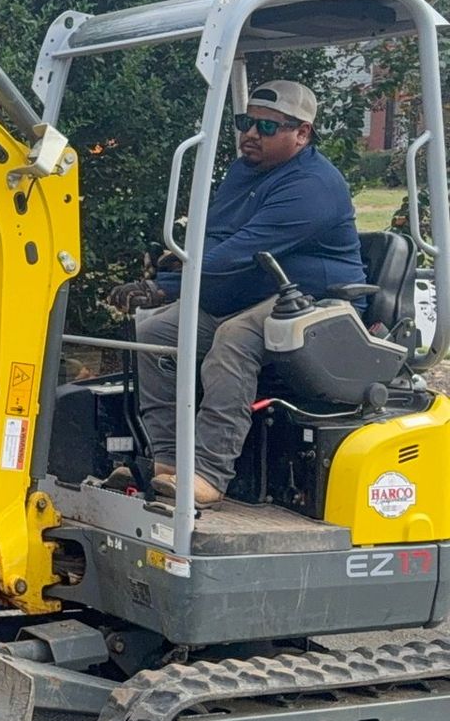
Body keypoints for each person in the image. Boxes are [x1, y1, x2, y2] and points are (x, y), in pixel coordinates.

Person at [106, 80, 365, 505]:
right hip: (255, 291)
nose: (250, 133)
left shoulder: (314, 186)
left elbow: (243, 251)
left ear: (302, 134)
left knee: (235, 339)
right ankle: (168, 461)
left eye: (266, 126)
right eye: (246, 122)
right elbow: (218, 242)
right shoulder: (244, 171)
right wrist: (159, 290)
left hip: (314, 303)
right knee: (155, 333)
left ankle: (207, 474)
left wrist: (168, 283)